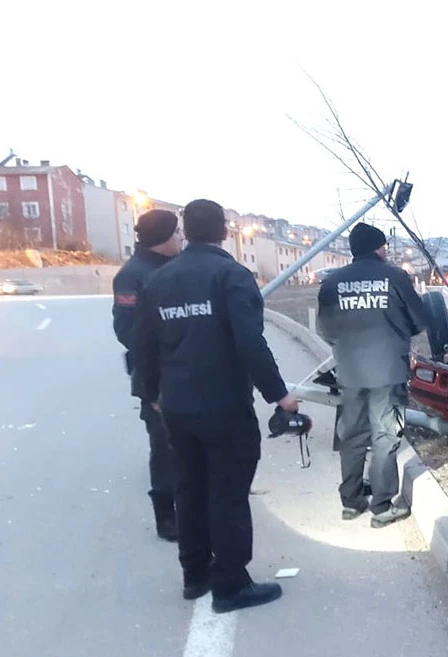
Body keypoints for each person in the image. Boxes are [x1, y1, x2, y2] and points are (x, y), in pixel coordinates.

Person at [134, 199, 300, 613]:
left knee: (189, 490)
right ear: (224, 230)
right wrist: (279, 395)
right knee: (227, 494)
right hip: (223, 405)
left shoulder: (159, 281)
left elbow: (144, 346)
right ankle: (230, 585)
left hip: (177, 406)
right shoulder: (231, 276)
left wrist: (153, 394)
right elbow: (250, 342)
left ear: (186, 231)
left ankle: (195, 576)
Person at [317, 223, 427, 528]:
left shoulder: (332, 283)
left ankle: (351, 503)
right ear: (378, 248)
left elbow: (324, 330)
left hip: (350, 373)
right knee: (384, 436)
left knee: (351, 436)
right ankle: (381, 507)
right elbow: (419, 320)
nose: (386, 251)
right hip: (388, 371)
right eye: (384, 246)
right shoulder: (395, 277)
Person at [112, 209, 184, 542]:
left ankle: (192, 507)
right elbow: (128, 331)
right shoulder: (132, 275)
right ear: (162, 239)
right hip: (155, 376)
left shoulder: (176, 267)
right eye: (177, 234)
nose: (181, 239)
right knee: (164, 447)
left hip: (187, 371)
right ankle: (166, 517)